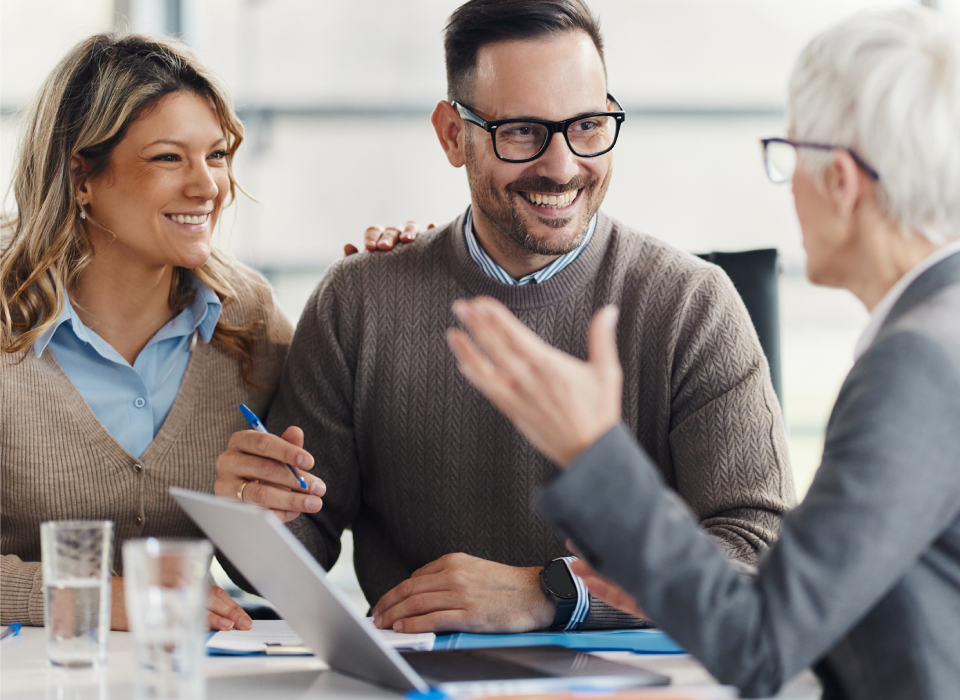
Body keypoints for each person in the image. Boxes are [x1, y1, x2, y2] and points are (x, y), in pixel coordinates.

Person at [215, 0, 795, 634]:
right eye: (521, 130)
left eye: (589, 125)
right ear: (450, 135)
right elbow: (296, 548)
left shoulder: (693, 306)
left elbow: (759, 552)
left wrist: (552, 592)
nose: (563, 165)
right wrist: (254, 518)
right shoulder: (358, 301)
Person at [446, 6, 960, 698]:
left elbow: (761, 642)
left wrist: (594, 448)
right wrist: (663, 577)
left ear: (840, 181)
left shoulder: (917, 366)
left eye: (790, 157)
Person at [0, 33, 322, 630]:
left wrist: (250, 515)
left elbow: (294, 549)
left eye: (218, 155)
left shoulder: (248, 319)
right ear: (81, 177)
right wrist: (109, 597)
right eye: (170, 157)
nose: (207, 186)